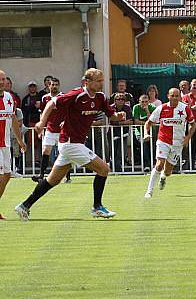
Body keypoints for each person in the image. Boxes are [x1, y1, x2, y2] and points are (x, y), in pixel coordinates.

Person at [17, 68, 127, 220]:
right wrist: (42, 122)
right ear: (87, 82)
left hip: (73, 144)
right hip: (71, 143)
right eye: (99, 81)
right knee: (103, 169)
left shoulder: (101, 97)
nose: (102, 83)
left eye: (102, 80)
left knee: (52, 180)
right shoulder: (76, 95)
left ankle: (24, 206)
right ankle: (97, 207)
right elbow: (51, 104)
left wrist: (118, 116)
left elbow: (111, 116)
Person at [143, 88, 196, 198]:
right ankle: (149, 191)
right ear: (168, 96)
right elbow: (148, 123)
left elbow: (193, 124)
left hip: (178, 143)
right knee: (159, 164)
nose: (175, 98)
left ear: (180, 97)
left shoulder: (185, 108)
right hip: (163, 141)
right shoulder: (161, 108)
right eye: (173, 95)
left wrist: (187, 138)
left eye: (177, 96)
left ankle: (163, 177)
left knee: (168, 172)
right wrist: (145, 133)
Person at [0, 70, 26, 220]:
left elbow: (14, 119)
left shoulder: (9, 98)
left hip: (6, 144)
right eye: (0, 79)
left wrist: (20, 140)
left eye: (4, 79)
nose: (2, 82)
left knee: (7, 175)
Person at [35, 78, 62, 184]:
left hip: (61, 130)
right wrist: (41, 128)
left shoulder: (63, 97)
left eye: (56, 84)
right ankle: (41, 175)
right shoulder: (45, 98)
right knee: (46, 151)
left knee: (63, 152)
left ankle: (67, 176)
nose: (54, 86)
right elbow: (42, 112)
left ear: (59, 85)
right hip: (50, 129)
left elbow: (67, 111)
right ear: (48, 86)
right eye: (52, 84)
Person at [109, 93, 134, 172]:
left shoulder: (127, 107)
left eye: (122, 99)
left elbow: (130, 121)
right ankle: (113, 168)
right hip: (112, 133)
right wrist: (122, 122)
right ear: (115, 101)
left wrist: (118, 122)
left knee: (121, 152)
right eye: (118, 99)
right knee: (112, 152)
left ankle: (118, 169)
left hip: (124, 133)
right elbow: (111, 121)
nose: (120, 101)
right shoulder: (111, 107)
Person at [132, 94, 156, 170]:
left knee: (153, 146)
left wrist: (147, 111)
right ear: (139, 102)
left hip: (151, 131)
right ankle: (147, 165)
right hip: (139, 131)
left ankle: (154, 164)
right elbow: (136, 121)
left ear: (149, 102)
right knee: (144, 145)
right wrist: (147, 123)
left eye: (146, 102)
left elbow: (152, 120)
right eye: (142, 102)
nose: (144, 103)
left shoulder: (152, 107)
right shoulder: (136, 107)